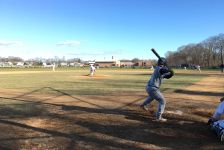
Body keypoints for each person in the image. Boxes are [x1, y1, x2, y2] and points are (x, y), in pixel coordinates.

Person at [140, 57, 174, 122]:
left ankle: (143, 105)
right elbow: (164, 70)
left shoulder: (159, 69)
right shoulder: (159, 69)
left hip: (149, 87)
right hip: (153, 88)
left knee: (152, 97)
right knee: (162, 101)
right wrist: (168, 69)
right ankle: (158, 117)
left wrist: (171, 74)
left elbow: (166, 76)